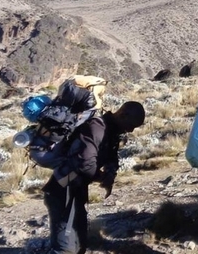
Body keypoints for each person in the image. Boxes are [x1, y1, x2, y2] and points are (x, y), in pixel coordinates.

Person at [44, 101, 146, 254]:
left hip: (76, 188)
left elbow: (112, 157)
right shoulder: (96, 127)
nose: (131, 130)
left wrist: (110, 175)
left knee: (79, 242)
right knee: (66, 246)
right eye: (131, 125)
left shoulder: (111, 133)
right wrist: (100, 176)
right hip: (62, 189)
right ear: (123, 114)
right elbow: (86, 163)